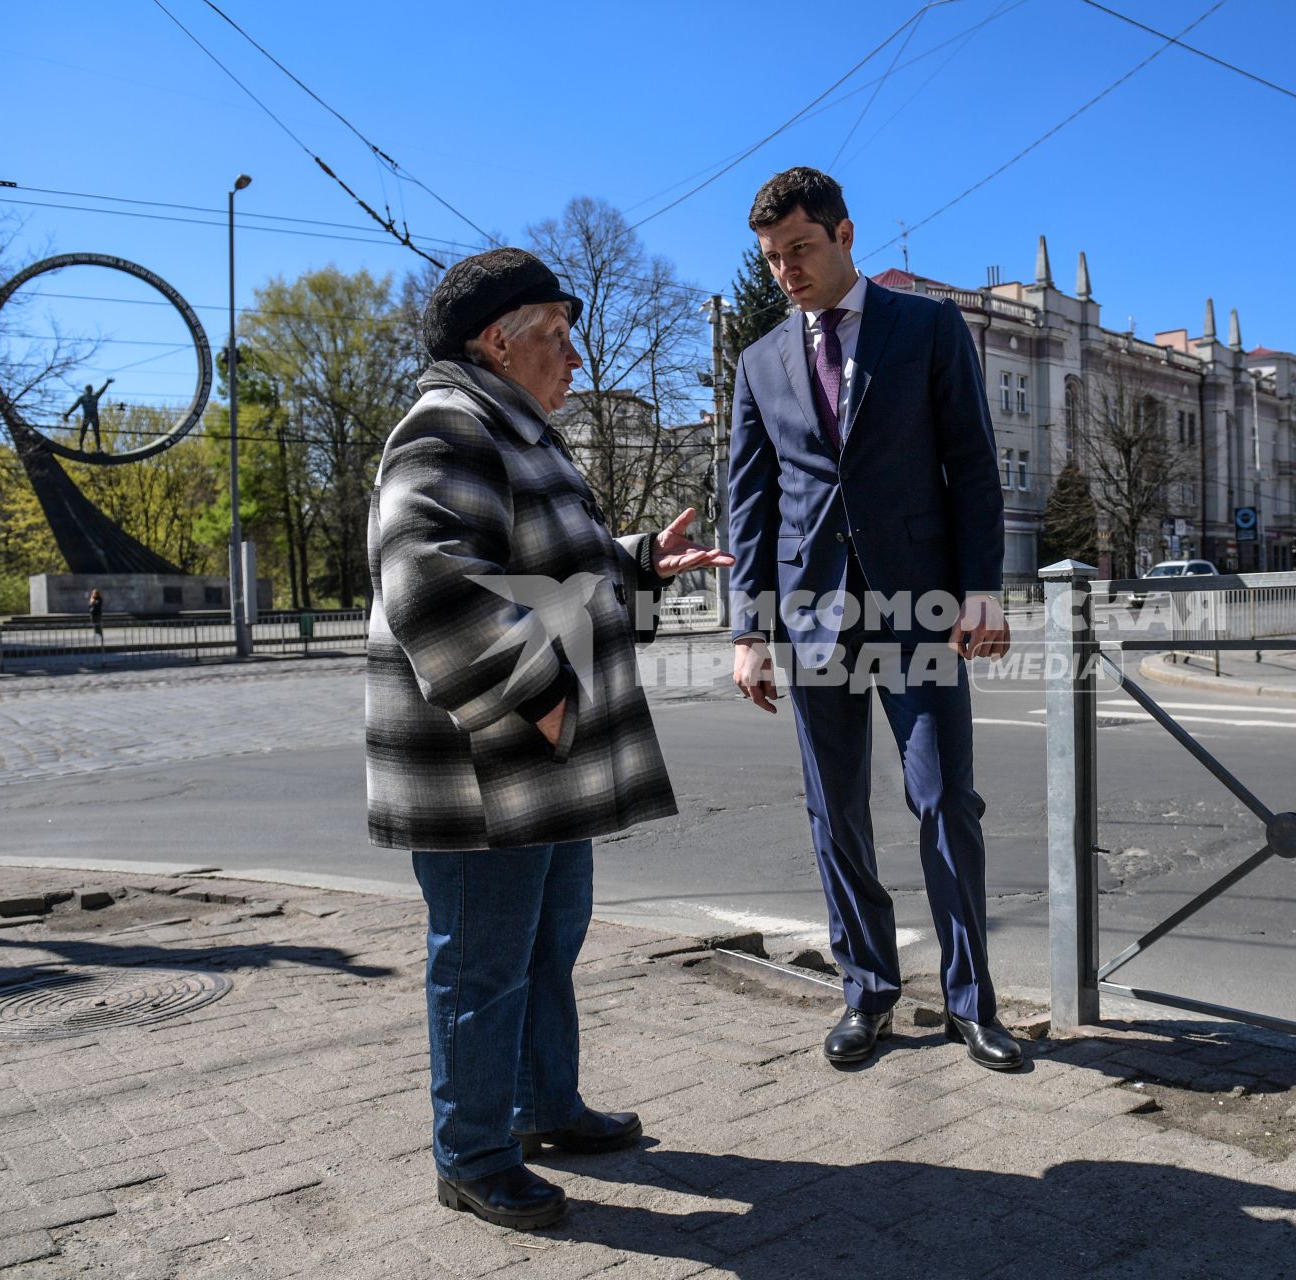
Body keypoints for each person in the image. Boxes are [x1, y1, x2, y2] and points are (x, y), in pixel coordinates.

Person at [366, 248, 731, 1234]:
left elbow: (542, 564)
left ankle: (543, 1107)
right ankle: (475, 1157)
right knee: (484, 962)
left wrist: (640, 561)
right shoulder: (447, 429)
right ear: (499, 339)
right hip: (491, 762)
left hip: (531, 761)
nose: (575, 357)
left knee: (546, 945)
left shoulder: (507, 427)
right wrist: (552, 703)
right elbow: (432, 591)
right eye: (558, 335)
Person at [727, 167, 1020, 1073]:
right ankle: (869, 992)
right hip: (813, 616)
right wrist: (749, 632)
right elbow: (750, 505)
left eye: (801, 250)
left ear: (846, 235)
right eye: (773, 259)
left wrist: (984, 585)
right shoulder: (759, 361)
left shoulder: (927, 328)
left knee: (944, 800)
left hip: (920, 608)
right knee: (835, 813)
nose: (787, 272)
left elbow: (971, 463)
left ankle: (973, 1005)